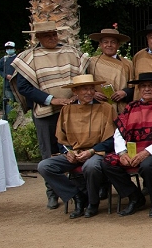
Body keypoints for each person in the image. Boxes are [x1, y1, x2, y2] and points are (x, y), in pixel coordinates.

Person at [12, 21, 89, 209]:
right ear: (37, 38)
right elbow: (23, 87)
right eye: (47, 36)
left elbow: (84, 76)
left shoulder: (71, 52)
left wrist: (75, 96)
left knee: (76, 148)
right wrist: (50, 99)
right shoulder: (28, 58)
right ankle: (53, 193)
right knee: (48, 154)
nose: (52, 38)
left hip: (72, 110)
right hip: (46, 113)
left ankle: (81, 190)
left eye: (54, 34)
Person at [36, 74, 116, 219]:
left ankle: (92, 203)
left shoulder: (106, 108)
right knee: (44, 166)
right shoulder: (67, 110)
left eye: (92, 88)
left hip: (96, 152)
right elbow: (61, 139)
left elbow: (111, 139)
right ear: (75, 92)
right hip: (74, 152)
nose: (89, 92)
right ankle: (76, 196)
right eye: (84, 89)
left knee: (91, 167)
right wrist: (68, 153)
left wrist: (91, 151)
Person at [102, 72, 152, 218]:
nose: (147, 89)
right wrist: (122, 153)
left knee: (148, 166)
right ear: (139, 89)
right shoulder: (131, 107)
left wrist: (146, 152)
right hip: (131, 151)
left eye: (151, 86)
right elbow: (119, 132)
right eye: (143, 86)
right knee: (107, 163)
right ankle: (135, 197)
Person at [87, 28, 133, 113]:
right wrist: (93, 93)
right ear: (100, 44)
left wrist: (125, 93)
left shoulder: (128, 64)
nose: (109, 45)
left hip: (121, 109)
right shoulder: (91, 62)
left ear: (118, 44)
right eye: (105, 42)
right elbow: (85, 85)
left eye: (113, 42)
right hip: (98, 108)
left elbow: (135, 87)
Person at [0, 41, 17, 119]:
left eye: (11, 48)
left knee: (18, 101)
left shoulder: (18, 58)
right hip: (7, 85)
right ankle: (9, 118)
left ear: (14, 49)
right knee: (9, 102)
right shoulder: (3, 60)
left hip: (17, 84)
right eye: (7, 48)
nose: (9, 50)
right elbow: (0, 70)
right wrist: (5, 76)